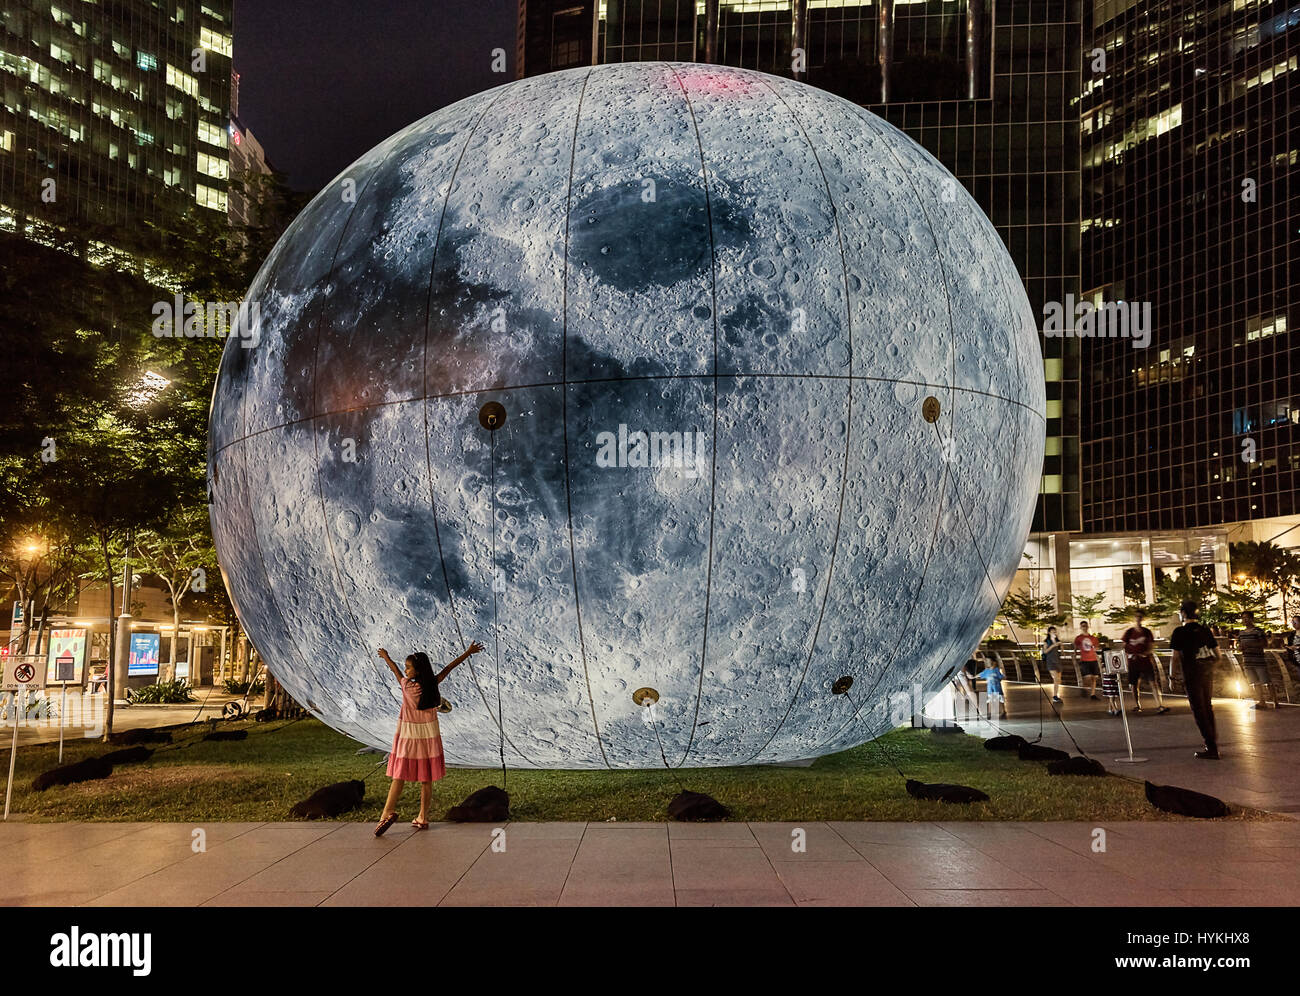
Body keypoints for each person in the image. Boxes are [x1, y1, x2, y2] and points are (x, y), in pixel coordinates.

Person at [374, 642, 484, 835]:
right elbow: (449, 667)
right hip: (429, 737)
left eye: (409, 667)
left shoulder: (407, 686)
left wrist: (386, 657)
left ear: (416, 671)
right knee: (426, 778)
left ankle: (387, 812)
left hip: (409, 736)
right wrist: (468, 652)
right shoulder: (433, 685)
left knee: (399, 775)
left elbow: (395, 671)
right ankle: (423, 817)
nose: (406, 670)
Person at [1169, 599, 1220, 759]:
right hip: (1207, 673)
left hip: (1191, 675)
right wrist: (1211, 668)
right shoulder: (1205, 630)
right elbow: (1218, 655)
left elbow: (1175, 658)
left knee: (1198, 709)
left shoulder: (1179, 632)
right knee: (1207, 707)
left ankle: (1211, 746)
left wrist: (1172, 677)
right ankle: (1212, 743)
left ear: (1183, 613)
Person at [1121, 611, 1168, 714]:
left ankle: (1159, 705)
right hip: (1133, 662)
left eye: (1140, 617)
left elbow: (1151, 645)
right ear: (1134, 619)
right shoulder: (1129, 632)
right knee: (1134, 685)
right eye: (1136, 617)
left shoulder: (1146, 632)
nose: (1138, 619)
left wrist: (1147, 653)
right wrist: (1127, 657)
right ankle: (1137, 705)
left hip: (1145, 661)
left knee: (1153, 683)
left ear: (1142, 619)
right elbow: (1124, 646)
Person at [1236, 611, 1273, 710]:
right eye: (1243, 618)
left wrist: (1250, 645)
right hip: (1247, 661)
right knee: (1255, 682)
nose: (1245, 620)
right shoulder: (1241, 633)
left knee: (1266, 681)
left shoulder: (1258, 631)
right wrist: (1240, 648)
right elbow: (1239, 645)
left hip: (1259, 660)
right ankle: (1261, 702)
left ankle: (1275, 702)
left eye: (1247, 618)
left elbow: (1264, 644)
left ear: (1252, 619)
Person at [1074, 621, 1102, 700]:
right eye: (1083, 626)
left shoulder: (1093, 638)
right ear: (1080, 627)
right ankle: (1084, 688)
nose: (1084, 627)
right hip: (1084, 660)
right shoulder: (1078, 638)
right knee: (1087, 677)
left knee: (1094, 677)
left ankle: (1092, 694)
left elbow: (1097, 647)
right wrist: (1075, 656)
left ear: (1088, 627)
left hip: (1093, 659)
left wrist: (1095, 648)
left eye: (1085, 626)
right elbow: (1075, 648)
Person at [1042, 626, 1064, 703]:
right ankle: (1054, 696)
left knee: (1058, 679)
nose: (1054, 633)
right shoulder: (1046, 641)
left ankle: (1057, 694)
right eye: (1052, 632)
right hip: (1050, 662)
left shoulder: (1058, 641)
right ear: (1049, 633)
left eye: (1055, 631)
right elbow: (1045, 651)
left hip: (1058, 662)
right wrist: (1052, 646)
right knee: (1056, 679)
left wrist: (1061, 646)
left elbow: (1062, 653)